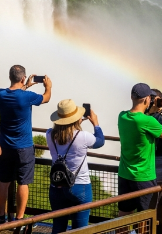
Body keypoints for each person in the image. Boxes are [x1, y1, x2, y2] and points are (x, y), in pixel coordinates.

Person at [0, 65, 52, 225]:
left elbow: (15, 92)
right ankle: (19, 220)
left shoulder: (0, 94)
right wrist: (48, 87)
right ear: (22, 78)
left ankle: (1, 217)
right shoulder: (27, 97)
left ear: (10, 77)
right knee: (23, 182)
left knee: (3, 181)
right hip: (24, 147)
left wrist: (25, 85)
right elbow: (46, 98)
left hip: (5, 146)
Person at [46, 100, 105, 233]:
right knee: (80, 230)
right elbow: (100, 141)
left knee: (58, 227)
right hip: (80, 186)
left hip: (57, 185)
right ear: (76, 119)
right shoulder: (83, 136)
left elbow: (63, 134)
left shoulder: (49, 134)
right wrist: (96, 124)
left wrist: (73, 123)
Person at [117, 83, 162, 216]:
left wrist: (151, 110)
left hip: (125, 174)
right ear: (147, 99)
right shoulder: (147, 121)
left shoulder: (122, 116)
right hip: (144, 177)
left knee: (124, 215)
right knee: (146, 219)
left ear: (132, 97)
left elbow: (139, 117)